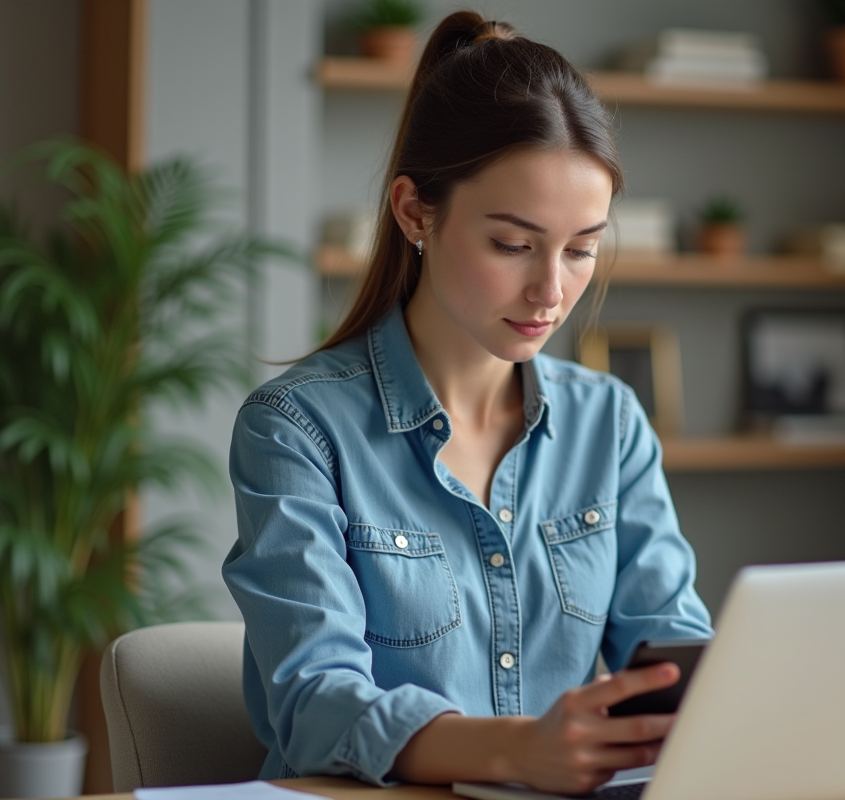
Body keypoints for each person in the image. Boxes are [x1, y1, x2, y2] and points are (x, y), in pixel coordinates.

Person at [223, 11, 712, 795]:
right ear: (414, 211)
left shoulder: (611, 422)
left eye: (582, 248)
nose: (551, 291)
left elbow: (672, 654)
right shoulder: (297, 428)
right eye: (513, 245)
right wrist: (516, 752)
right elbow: (315, 704)